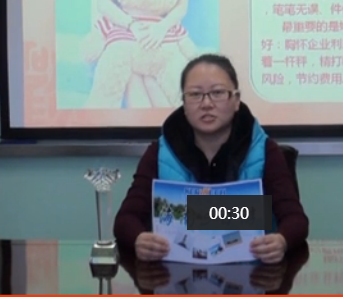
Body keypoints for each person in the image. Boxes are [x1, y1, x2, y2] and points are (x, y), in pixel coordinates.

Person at [113, 54, 309, 264]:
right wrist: (139, 239)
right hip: (176, 275)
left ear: (236, 100)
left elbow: (295, 219)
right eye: (195, 94)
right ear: (184, 104)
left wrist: (281, 241)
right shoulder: (160, 151)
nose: (206, 104)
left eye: (217, 93)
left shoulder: (264, 150)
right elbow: (126, 219)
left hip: (253, 273)